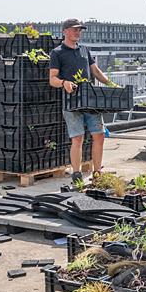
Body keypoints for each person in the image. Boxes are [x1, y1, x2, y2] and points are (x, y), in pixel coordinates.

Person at [48, 19, 111, 185]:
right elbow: (52, 79)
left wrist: (110, 84)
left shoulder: (84, 50)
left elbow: (95, 70)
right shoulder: (57, 52)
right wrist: (64, 83)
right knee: (77, 138)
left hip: (90, 101)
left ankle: (97, 172)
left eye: (80, 30)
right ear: (65, 31)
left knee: (99, 136)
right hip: (71, 102)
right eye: (75, 30)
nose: (78, 32)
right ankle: (76, 174)